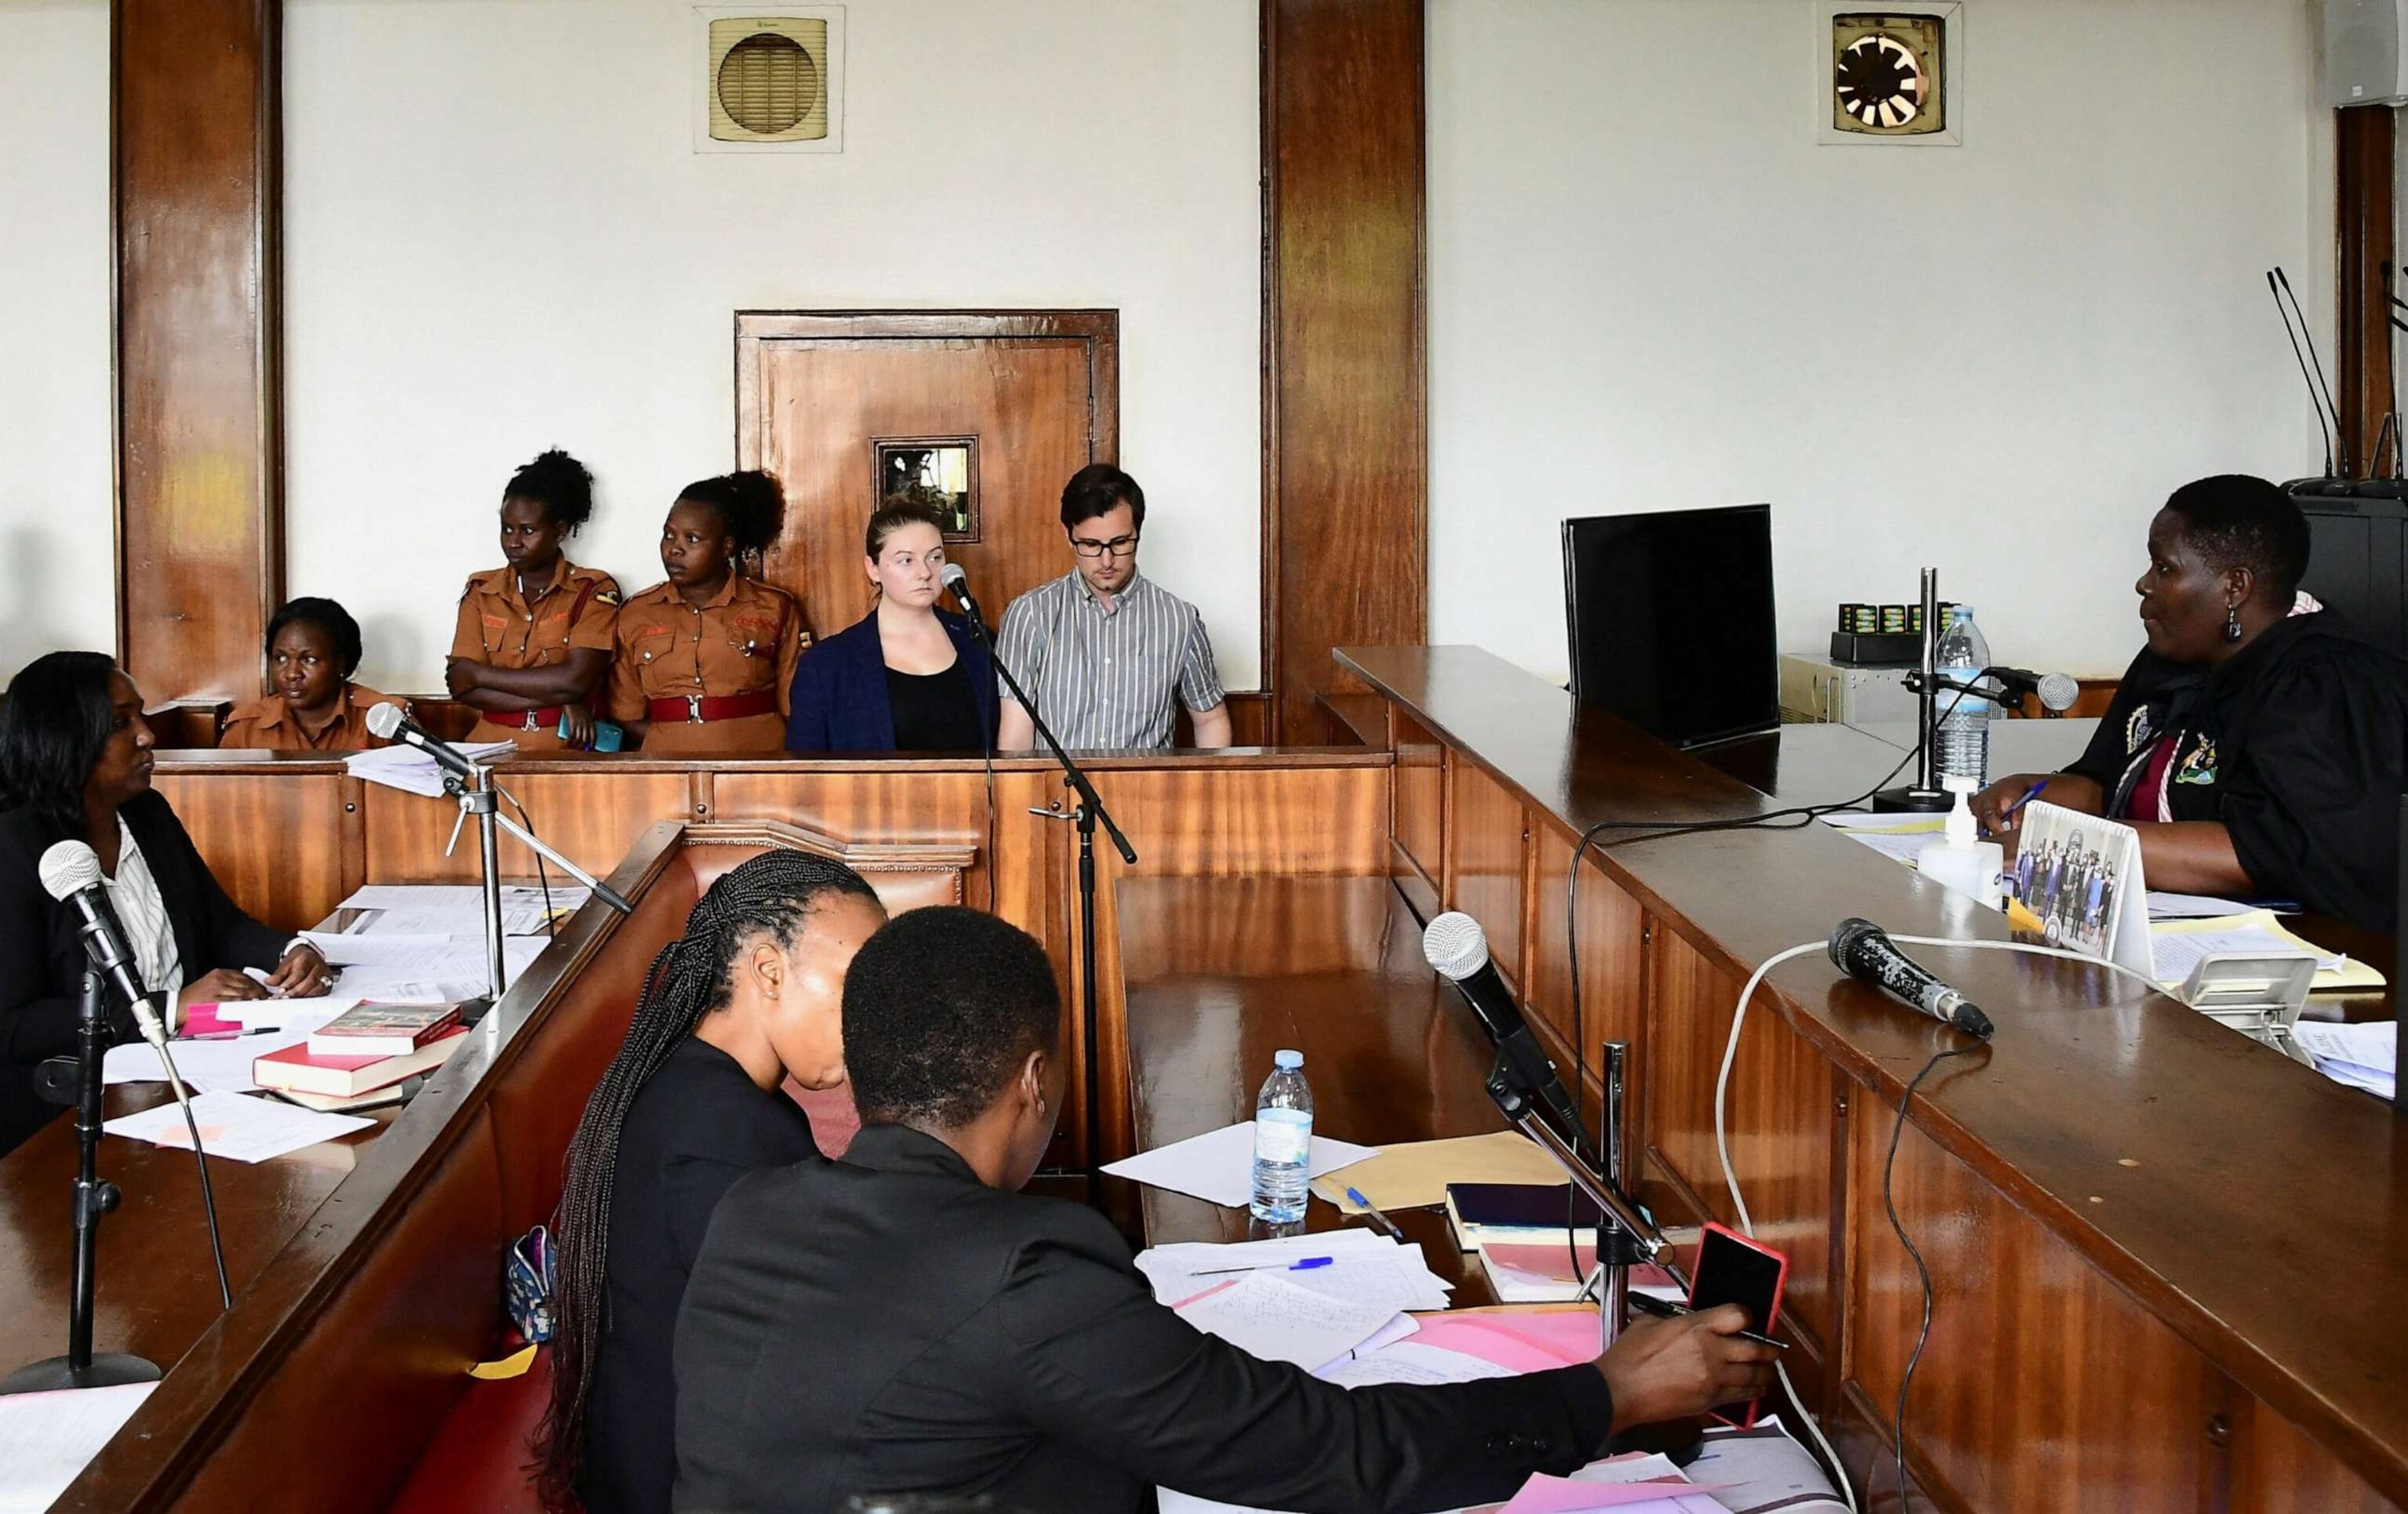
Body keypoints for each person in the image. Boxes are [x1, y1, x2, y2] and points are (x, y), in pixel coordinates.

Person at [673, 906, 1775, 1513]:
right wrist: (1608, 1390)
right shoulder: (1027, 1280)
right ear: (1033, 1082)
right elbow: (1337, 1451)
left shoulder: (751, 1215)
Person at [534, 849, 887, 1514]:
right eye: (856, 986)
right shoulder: (722, 1133)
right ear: (768, 971)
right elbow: (817, 1353)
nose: (873, 1020)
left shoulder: (703, 1090)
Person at [1974, 474, 2408, 929]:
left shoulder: (2324, 684)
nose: (2144, 584)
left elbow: (2272, 853)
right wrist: (2033, 797)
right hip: (2141, 925)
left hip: (2285, 954)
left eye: (2165, 568)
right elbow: (2107, 785)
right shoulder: (2171, 656)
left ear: (2234, 587)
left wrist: (2074, 844)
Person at [0, 652, 331, 1156]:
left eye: (141, 715)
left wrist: (291, 950)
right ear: (63, 738)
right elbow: (16, 1025)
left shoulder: (146, 812)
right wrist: (171, 1008)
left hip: (196, 1070)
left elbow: (220, 923)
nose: (147, 735)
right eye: (119, 723)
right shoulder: (14, 849)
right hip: (77, 1113)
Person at [993, 464, 1231, 752]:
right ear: (1068, 535)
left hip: (1148, 791)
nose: (1107, 561)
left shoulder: (1179, 619)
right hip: (1058, 793)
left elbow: (1209, 719)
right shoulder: (1030, 614)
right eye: (1091, 545)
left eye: (1120, 543)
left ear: (1138, 533)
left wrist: (1205, 791)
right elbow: (1016, 734)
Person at [607, 470, 806, 756]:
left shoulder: (774, 607)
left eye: (693, 539)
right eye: (669, 535)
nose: (675, 549)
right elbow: (626, 712)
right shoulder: (636, 613)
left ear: (726, 547)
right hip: (666, 771)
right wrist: (681, 739)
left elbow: (796, 708)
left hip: (759, 767)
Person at [783, 503, 999, 753]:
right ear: (872, 568)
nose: (925, 573)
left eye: (935, 557)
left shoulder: (978, 641)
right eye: (906, 560)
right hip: (872, 793)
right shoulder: (827, 665)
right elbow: (804, 775)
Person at [447, 448, 623, 753]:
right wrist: (563, 696)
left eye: (528, 531)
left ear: (560, 530)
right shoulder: (480, 591)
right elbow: (462, 687)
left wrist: (480, 674)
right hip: (487, 747)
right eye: (507, 529)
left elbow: (576, 680)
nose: (514, 542)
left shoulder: (593, 589)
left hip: (564, 749)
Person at [219, 597, 401, 752]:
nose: (292, 674)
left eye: (309, 660)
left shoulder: (385, 720)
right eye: (281, 658)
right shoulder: (245, 728)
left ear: (341, 664)